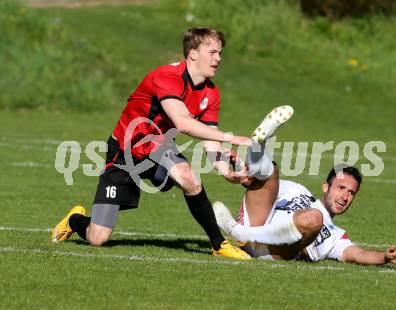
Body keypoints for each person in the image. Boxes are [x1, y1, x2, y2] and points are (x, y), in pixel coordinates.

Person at [52, 28, 290, 260]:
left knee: (189, 178)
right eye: (213, 52)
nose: (218, 58)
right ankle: (75, 219)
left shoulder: (211, 93)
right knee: (98, 237)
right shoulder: (167, 77)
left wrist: (225, 171)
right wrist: (232, 138)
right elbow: (183, 122)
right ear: (193, 53)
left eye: (220, 53)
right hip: (124, 152)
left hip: (157, 145)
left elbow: (210, 140)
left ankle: (219, 245)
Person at [214, 159, 396, 265]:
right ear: (326, 187)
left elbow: (359, 254)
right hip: (257, 224)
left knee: (314, 218)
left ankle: (238, 232)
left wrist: (384, 258)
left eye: (351, 193)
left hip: (274, 253)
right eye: (341, 188)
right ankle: (242, 232)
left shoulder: (337, 236)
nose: (345, 197)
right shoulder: (297, 189)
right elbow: (264, 187)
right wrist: (242, 168)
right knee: (271, 169)